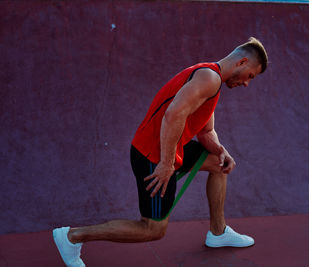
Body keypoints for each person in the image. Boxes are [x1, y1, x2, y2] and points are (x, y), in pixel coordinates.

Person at [53, 37, 268, 267]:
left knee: (218, 163)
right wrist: (166, 164)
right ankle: (72, 237)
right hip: (152, 156)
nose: (247, 84)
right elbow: (173, 115)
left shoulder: (210, 78)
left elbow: (206, 132)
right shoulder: (209, 78)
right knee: (152, 229)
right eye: (250, 77)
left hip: (170, 148)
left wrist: (221, 149)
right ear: (242, 62)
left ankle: (218, 232)